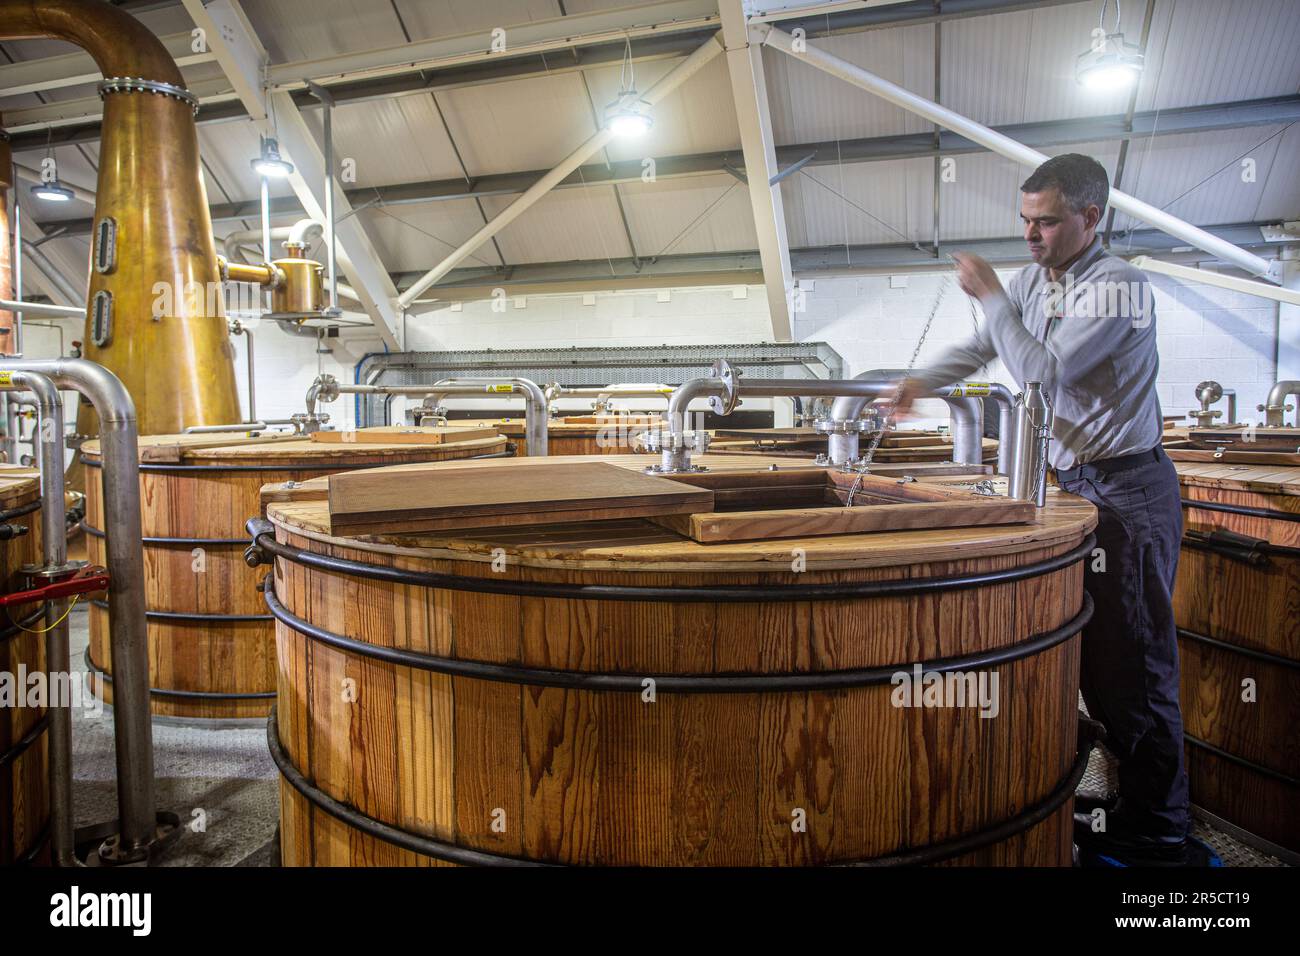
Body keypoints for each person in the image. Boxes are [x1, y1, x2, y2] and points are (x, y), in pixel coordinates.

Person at [896, 153, 1196, 866]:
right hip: (1075, 484)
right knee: (1095, 661)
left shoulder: (1120, 289)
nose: (1030, 235)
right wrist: (914, 384)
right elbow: (982, 349)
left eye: (1047, 222)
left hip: (1127, 491)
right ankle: (1132, 804)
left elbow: (1040, 369)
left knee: (1136, 665)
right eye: (1024, 220)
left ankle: (1162, 832)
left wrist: (993, 296)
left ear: (1092, 218)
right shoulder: (1034, 281)